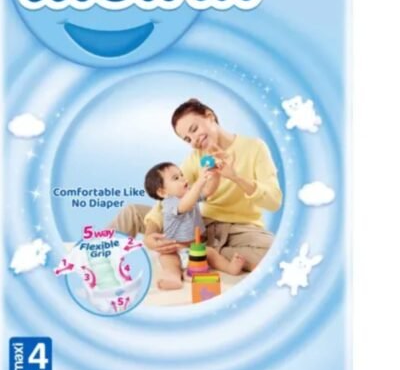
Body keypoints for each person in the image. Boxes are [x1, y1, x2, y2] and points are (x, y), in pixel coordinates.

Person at [110, 98, 283, 271]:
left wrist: (236, 177)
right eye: (187, 139)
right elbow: (169, 199)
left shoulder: (255, 147)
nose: (194, 141)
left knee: (276, 253)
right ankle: (101, 257)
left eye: (194, 129)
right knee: (133, 212)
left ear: (210, 116)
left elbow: (273, 202)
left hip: (240, 231)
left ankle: (207, 253)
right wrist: (149, 235)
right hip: (201, 226)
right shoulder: (196, 158)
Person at [143, 161, 246, 289]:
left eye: (181, 174)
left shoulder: (190, 193)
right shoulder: (169, 203)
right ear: (163, 192)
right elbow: (185, 205)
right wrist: (200, 181)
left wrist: (215, 175)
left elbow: (208, 191)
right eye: (176, 178)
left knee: (211, 253)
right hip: (175, 248)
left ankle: (229, 268)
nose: (182, 178)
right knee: (168, 260)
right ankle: (173, 277)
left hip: (196, 247)